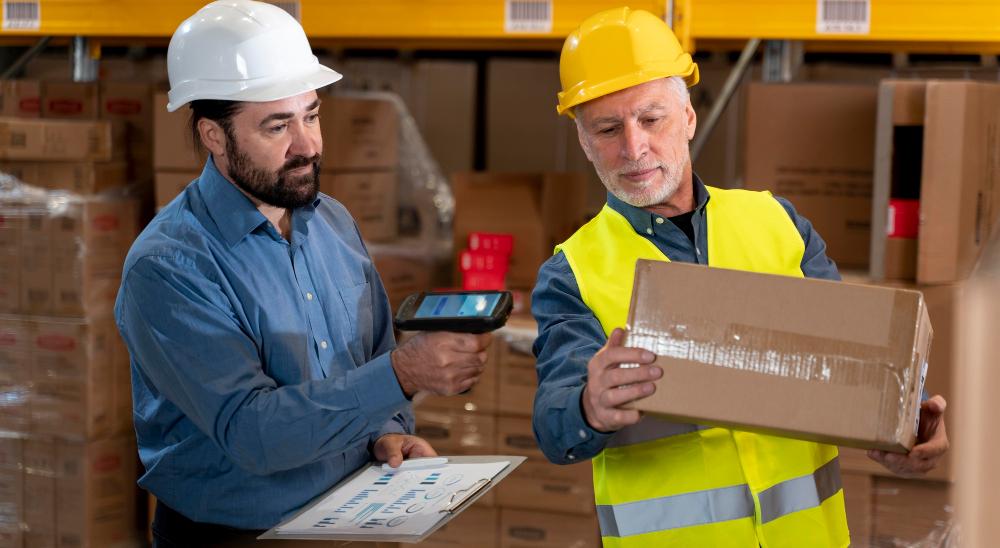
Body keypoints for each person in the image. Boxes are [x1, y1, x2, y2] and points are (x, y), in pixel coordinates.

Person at [531, 7, 949, 547]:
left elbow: (859, 367)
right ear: (585, 142)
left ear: (688, 117)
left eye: (651, 119)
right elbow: (553, 422)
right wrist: (588, 406)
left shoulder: (778, 223)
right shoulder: (572, 272)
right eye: (608, 129)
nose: (633, 149)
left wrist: (905, 428)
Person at [114, 2, 491, 546]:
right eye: (277, 126)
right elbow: (253, 433)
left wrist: (386, 433)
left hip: (353, 514)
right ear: (214, 135)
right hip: (232, 535)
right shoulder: (170, 266)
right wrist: (405, 375)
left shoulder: (332, 221)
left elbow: (371, 354)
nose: (308, 145)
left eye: (311, 115)